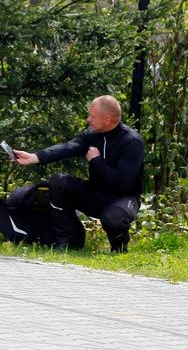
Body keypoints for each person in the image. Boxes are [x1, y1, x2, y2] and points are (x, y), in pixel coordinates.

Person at [13, 95, 143, 252]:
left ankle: (119, 247)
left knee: (113, 219)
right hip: (95, 194)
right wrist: (35, 157)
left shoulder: (131, 142)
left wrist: (96, 161)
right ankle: (67, 241)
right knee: (59, 182)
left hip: (122, 199)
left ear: (108, 119)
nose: (88, 119)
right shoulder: (92, 134)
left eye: (92, 116)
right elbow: (68, 147)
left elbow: (123, 183)